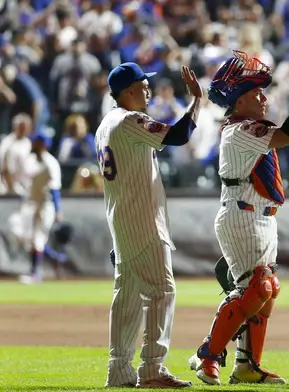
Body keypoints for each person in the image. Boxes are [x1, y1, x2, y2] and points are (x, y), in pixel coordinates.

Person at [187, 50, 289, 386]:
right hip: (241, 215)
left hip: (261, 216)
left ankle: (247, 366)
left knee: (267, 291)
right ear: (239, 101)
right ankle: (208, 355)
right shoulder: (240, 129)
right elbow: (288, 135)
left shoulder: (246, 126)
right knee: (257, 288)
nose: (263, 97)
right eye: (255, 92)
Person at [97, 61, 202, 389]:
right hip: (143, 221)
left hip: (122, 221)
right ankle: (153, 368)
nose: (148, 89)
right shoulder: (129, 120)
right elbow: (179, 135)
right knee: (162, 290)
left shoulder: (105, 124)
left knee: (127, 297)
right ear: (127, 91)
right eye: (143, 85)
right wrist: (197, 101)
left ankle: (119, 369)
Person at [9, 132, 62, 284]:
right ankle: (54, 257)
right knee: (20, 233)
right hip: (30, 205)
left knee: (37, 239)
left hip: (46, 205)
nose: (34, 144)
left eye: (37, 142)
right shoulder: (30, 160)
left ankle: (35, 273)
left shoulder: (50, 163)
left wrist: (58, 210)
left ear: (43, 144)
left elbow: (55, 188)